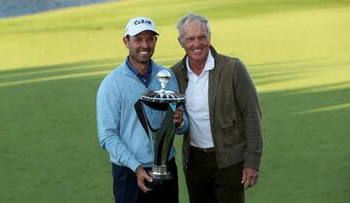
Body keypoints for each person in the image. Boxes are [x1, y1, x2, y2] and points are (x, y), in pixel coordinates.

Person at [171, 14, 263, 203]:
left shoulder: (233, 68)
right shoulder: (174, 74)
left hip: (230, 161)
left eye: (202, 37)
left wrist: (253, 161)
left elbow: (252, 115)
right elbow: (176, 121)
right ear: (181, 43)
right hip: (194, 162)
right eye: (190, 39)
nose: (197, 44)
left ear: (209, 37)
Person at [96, 16, 188, 203]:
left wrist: (180, 122)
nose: (144, 45)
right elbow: (107, 136)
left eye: (150, 38)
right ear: (126, 41)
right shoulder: (112, 84)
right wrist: (136, 167)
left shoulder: (166, 76)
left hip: (166, 167)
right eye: (138, 39)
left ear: (155, 41)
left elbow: (182, 125)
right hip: (129, 172)